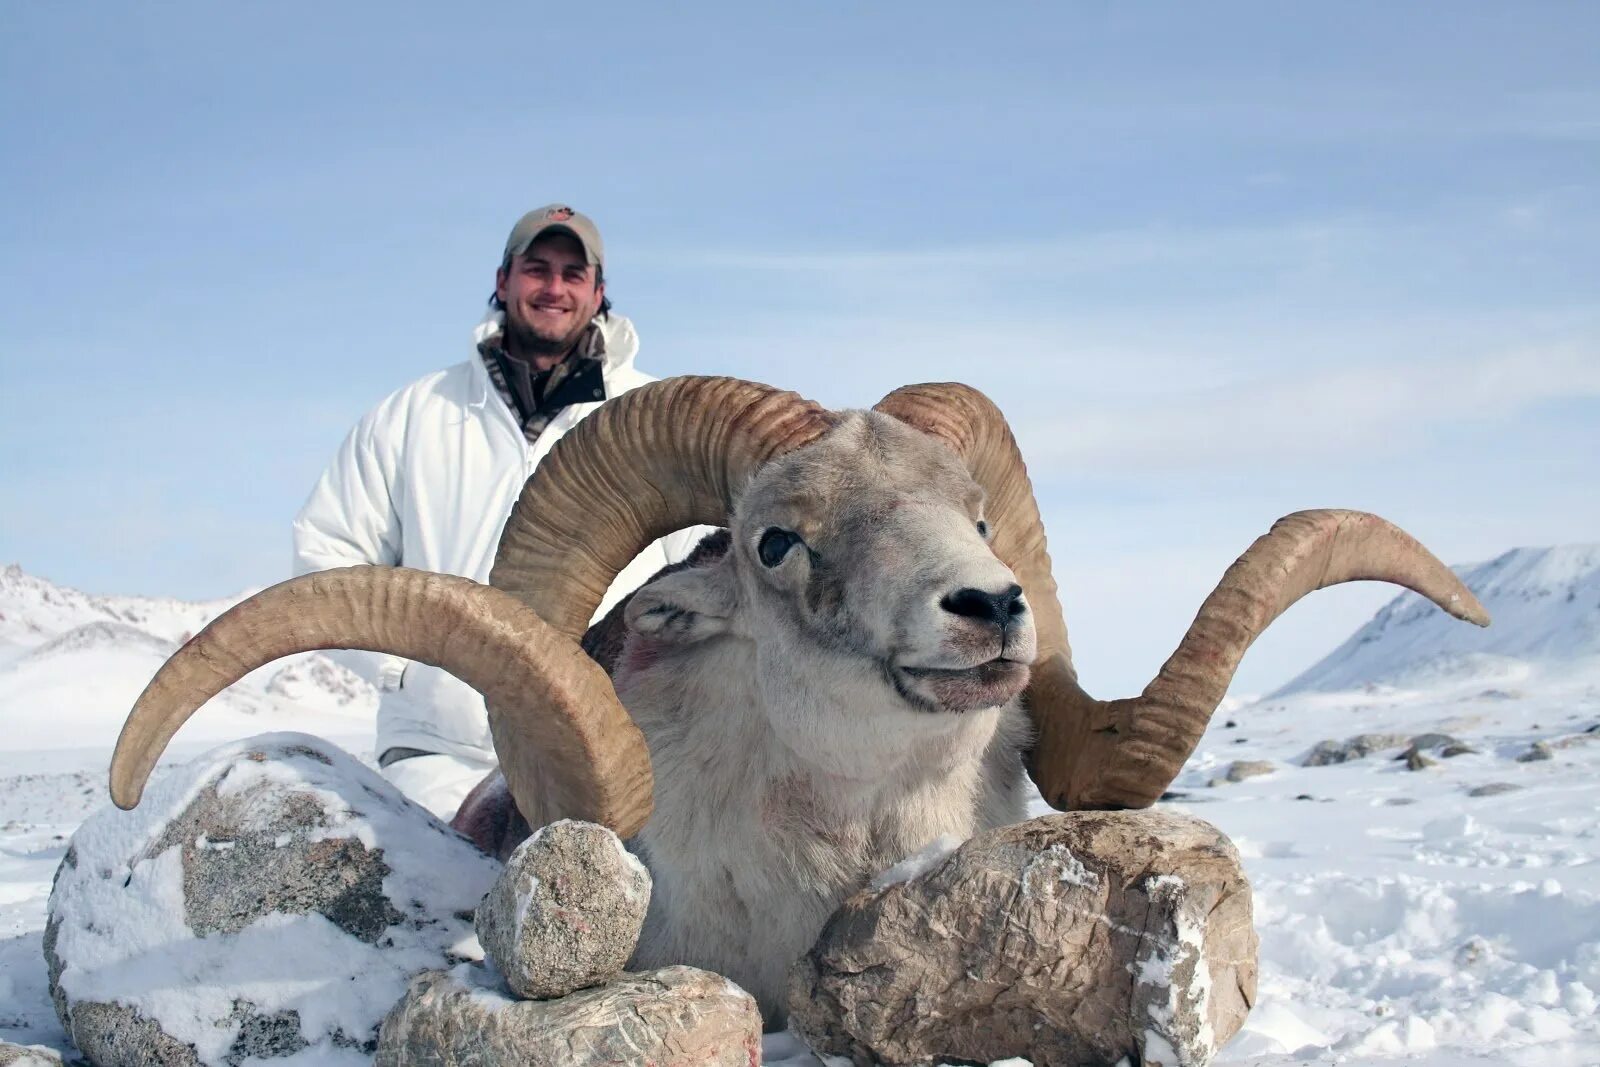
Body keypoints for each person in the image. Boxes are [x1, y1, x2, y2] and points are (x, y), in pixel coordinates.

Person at [293, 204, 707, 819]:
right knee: (443, 910)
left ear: (598, 293)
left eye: (573, 273)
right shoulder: (414, 414)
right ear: (502, 280)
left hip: (609, 756)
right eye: (536, 268)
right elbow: (327, 552)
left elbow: (702, 566)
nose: (553, 288)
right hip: (438, 755)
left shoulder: (654, 420)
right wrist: (403, 668)